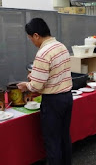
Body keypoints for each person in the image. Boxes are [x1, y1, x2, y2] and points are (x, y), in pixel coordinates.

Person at [17, 18, 73, 165]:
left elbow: (36, 86)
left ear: (36, 35)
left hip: (53, 102)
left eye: (30, 38)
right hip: (67, 97)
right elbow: (55, 73)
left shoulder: (43, 53)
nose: (32, 42)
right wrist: (35, 77)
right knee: (64, 137)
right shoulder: (61, 46)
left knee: (52, 141)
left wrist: (26, 85)